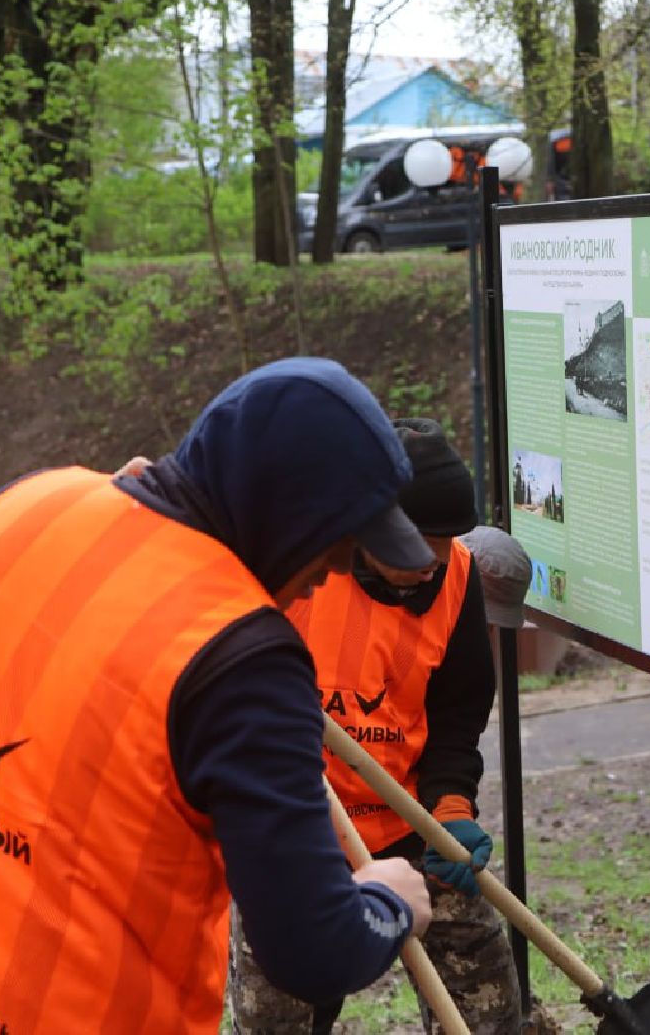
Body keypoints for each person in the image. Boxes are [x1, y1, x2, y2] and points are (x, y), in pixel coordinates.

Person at [0, 358, 437, 1033]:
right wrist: (386, 903)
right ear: (284, 512)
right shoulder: (244, 660)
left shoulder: (32, 503)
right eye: (337, 541)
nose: (333, 571)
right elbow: (312, 950)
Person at [227, 420, 527, 1034]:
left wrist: (449, 805)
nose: (431, 567)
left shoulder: (459, 577)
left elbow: (458, 711)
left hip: (408, 819)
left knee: (486, 998)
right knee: (280, 1011)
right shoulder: (297, 568)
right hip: (298, 826)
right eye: (415, 548)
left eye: (444, 548)